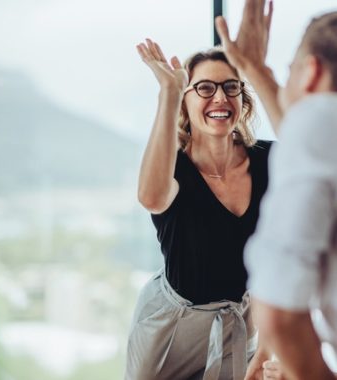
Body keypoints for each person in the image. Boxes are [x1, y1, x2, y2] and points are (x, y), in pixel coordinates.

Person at [126, 39, 274, 379]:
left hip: (239, 323)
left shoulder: (270, 161)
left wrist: (267, 348)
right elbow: (151, 198)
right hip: (170, 329)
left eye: (230, 87)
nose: (220, 98)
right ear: (185, 102)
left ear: (242, 99)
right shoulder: (171, 168)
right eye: (205, 88)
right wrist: (169, 91)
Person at [216, 1, 337, 379]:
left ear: (311, 72)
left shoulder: (319, 117)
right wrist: (256, 68)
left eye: (288, 73)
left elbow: (278, 310)